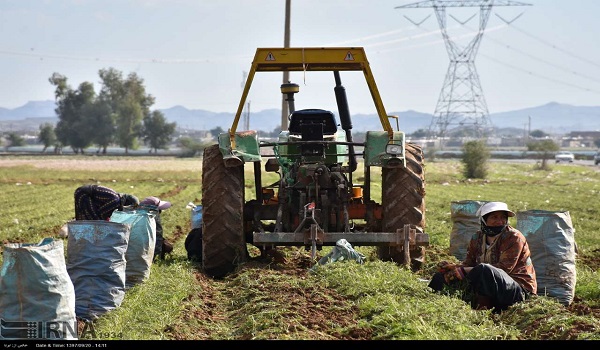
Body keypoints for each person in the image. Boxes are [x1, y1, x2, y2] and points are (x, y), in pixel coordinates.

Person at [428, 201, 537, 313]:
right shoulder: (477, 237)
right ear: (484, 220)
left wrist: (465, 270)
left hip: (517, 290)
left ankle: (482, 312)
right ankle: (434, 304)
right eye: (494, 217)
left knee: (484, 270)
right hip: (489, 284)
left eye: (503, 217)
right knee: (441, 276)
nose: (499, 221)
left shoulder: (513, 237)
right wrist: (453, 267)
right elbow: (469, 264)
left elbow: (504, 269)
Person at [74, 184, 139, 221]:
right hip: (83, 194)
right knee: (93, 220)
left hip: (81, 192)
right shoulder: (115, 201)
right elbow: (101, 213)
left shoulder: (116, 197)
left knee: (85, 217)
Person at [138, 196, 173, 261]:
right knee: (168, 246)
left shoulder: (136, 215)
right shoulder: (153, 218)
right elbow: (157, 236)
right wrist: (156, 255)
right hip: (146, 250)